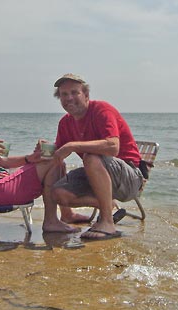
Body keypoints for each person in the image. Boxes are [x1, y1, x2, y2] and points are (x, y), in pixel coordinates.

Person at [0, 89, 80, 233]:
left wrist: (29, 158)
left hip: (3, 182)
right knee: (53, 162)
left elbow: (3, 162)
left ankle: (66, 214)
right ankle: (51, 221)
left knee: (55, 161)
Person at [50, 74, 144, 240]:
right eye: (64, 94)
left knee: (91, 156)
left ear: (86, 95)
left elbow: (113, 147)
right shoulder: (65, 123)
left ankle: (107, 222)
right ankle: (76, 213)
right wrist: (41, 151)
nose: (69, 98)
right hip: (98, 175)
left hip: (130, 178)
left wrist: (73, 146)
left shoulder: (101, 110)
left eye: (74, 92)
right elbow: (57, 153)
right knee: (58, 193)